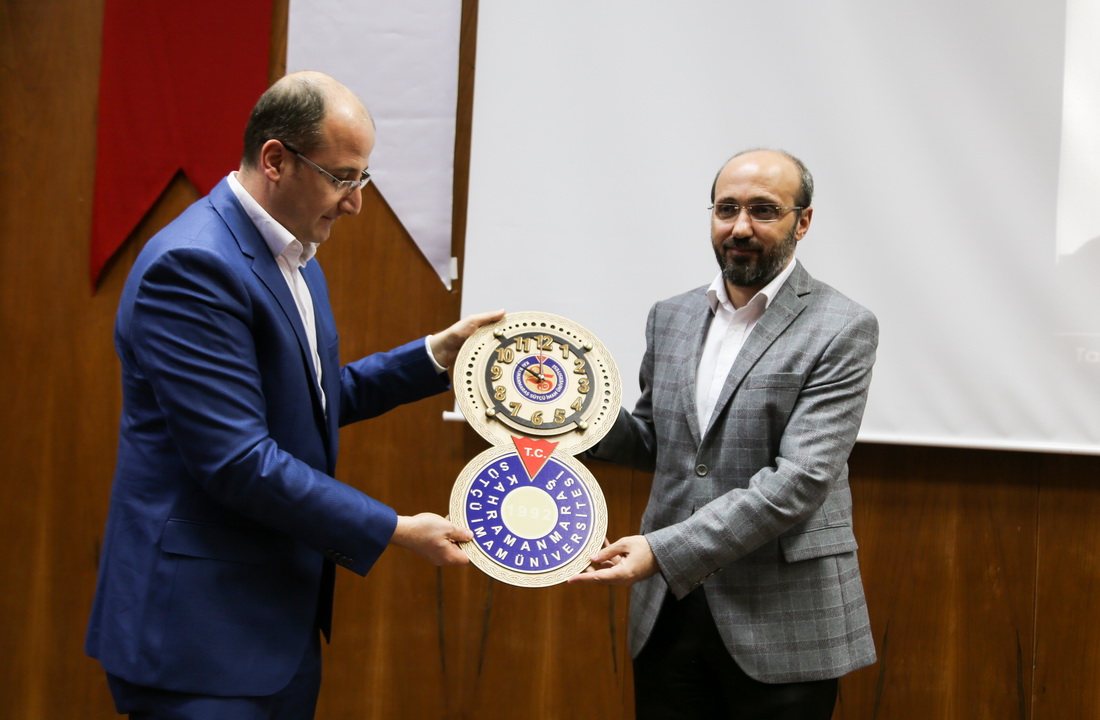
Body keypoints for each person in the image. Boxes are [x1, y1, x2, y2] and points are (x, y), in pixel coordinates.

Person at [85, 70, 503, 719]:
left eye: (363, 179)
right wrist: (393, 528)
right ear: (276, 160)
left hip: (273, 626)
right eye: (342, 178)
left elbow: (310, 401)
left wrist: (433, 357)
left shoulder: (293, 253)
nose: (355, 202)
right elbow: (238, 460)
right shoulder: (193, 266)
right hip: (196, 637)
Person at [569, 149, 878, 719]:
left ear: (802, 222)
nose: (740, 227)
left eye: (764, 210)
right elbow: (655, 441)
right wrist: (568, 418)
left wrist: (663, 551)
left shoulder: (842, 326)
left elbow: (801, 480)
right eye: (727, 209)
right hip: (667, 612)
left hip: (782, 618)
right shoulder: (671, 315)